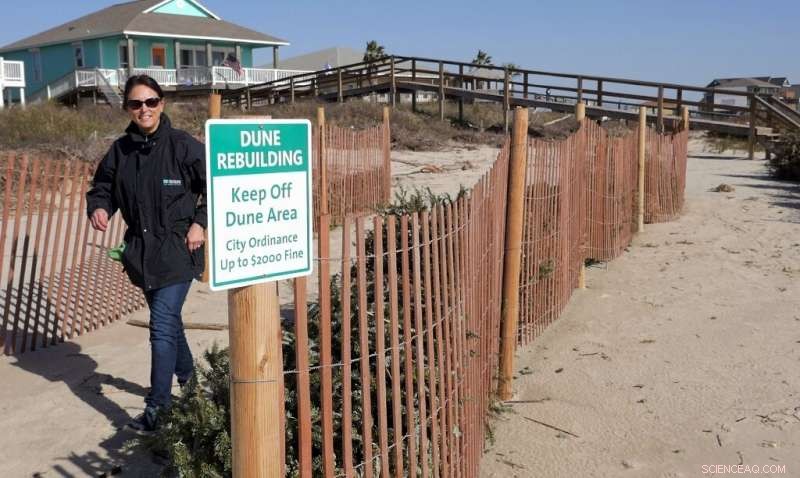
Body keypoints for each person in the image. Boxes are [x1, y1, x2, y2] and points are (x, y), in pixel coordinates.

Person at [86, 75, 207, 431]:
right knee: (169, 324)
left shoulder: (183, 146)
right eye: (137, 103)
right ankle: (191, 383)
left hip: (179, 251)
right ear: (127, 108)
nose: (145, 109)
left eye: (151, 102)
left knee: (161, 326)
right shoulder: (120, 151)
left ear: (162, 104)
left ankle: (158, 407)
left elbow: (215, 183)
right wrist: (100, 207)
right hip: (141, 256)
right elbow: (102, 187)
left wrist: (200, 222)